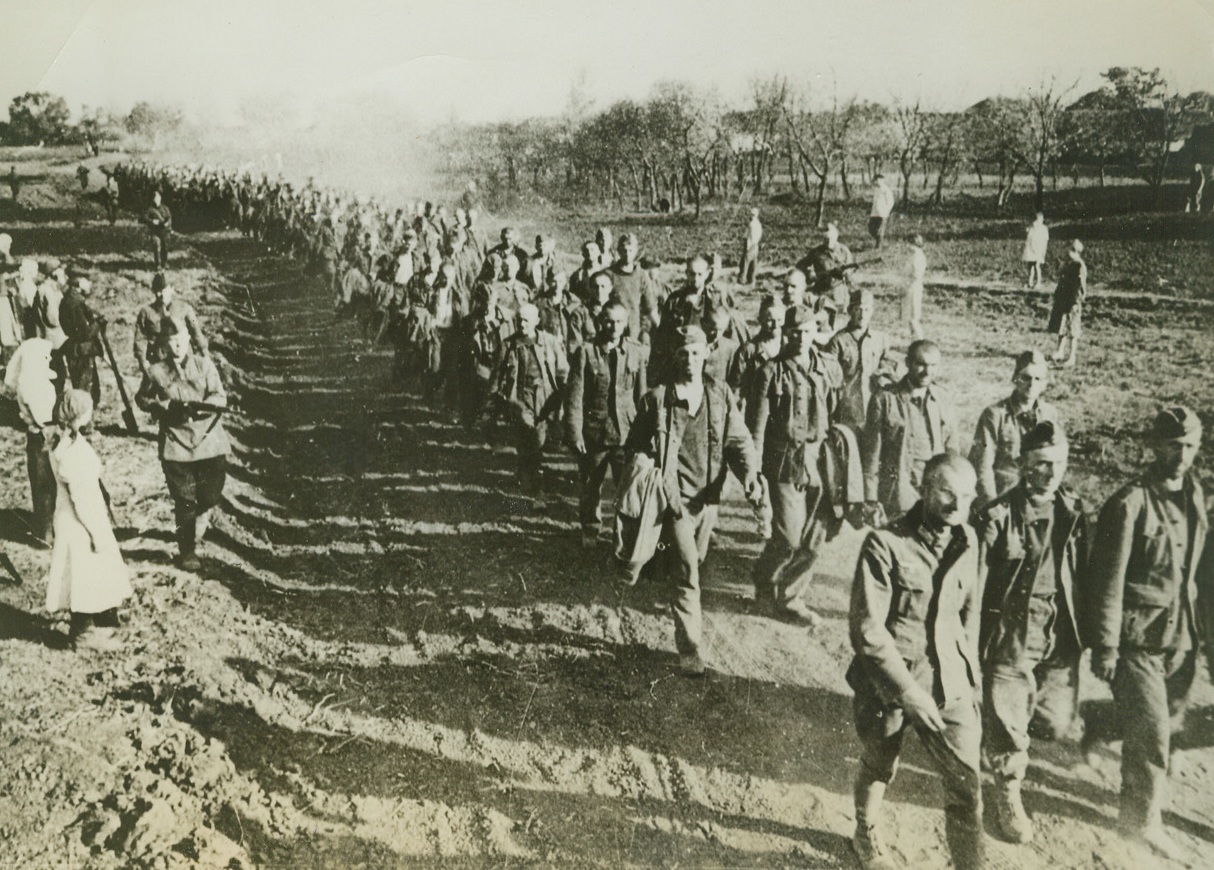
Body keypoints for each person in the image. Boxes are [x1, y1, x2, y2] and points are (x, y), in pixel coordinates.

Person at [1082, 407, 1209, 860]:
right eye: (1173, 445)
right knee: (1153, 736)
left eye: (1190, 446)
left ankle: (1099, 722)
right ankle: (1140, 824)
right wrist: (1105, 646)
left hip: (1181, 637)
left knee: (1165, 718)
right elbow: (1107, 580)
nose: (1182, 455)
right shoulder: (1128, 503)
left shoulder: (1196, 494)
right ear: (1153, 446)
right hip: (1136, 637)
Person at [847, 453, 983, 870]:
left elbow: (969, 615)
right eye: (946, 492)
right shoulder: (885, 543)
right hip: (890, 683)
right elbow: (867, 630)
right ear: (924, 489)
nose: (957, 504)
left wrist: (971, 678)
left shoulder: (968, 540)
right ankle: (865, 831)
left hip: (949, 681)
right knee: (879, 761)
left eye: (967, 496)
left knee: (966, 781)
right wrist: (906, 692)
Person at [621, 325, 762, 676]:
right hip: (675, 500)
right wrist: (646, 467)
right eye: (683, 353)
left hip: (708, 499)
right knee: (688, 572)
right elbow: (634, 446)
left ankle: (667, 577)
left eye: (696, 353)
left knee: (694, 560)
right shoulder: (658, 399)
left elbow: (738, 441)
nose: (690, 360)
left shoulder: (719, 394)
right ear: (674, 356)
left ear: (707, 353)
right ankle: (690, 649)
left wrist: (749, 475)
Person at [973, 421, 1088, 844]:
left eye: (1058, 463)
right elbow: (973, 583)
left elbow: (1087, 572)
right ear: (1023, 464)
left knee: (1053, 724)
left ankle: (997, 729)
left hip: (1058, 629)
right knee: (1009, 715)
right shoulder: (997, 515)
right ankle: (1007, 789)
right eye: (1040, 463)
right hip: (1012, 629)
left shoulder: (1075, 511)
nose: (1050, 472)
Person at [749, 307, 843, 625]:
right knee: (789, 538)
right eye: (795, 332)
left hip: (818, 461)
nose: (801, 338)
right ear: (785, 333)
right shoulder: (770, 372)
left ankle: (791, 597)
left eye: (807, 331)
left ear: (815, 332)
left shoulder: (826, 367)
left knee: (815, 539)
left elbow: (837, 412)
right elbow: (756, 428)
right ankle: (765, 580)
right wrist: (755, 474)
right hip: (783, 462)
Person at [135, 319, 231, 571]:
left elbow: (220, 395)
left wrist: (201, 406)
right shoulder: (156, 372)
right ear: (165, 344)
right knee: (185, 501)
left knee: (210, 494)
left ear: (189, 339)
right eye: (172, 342)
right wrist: (164, 406)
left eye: (181, 340)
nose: (177, 346)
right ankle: (187, 551)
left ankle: (200, 514)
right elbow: (142, 399)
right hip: (176, 442)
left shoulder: (204, 365)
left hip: (208, 439)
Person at [44, 389, 131, 652]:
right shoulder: (72, 453)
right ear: (80, 415)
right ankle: (83, 634)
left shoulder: (64, 441)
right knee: (83, 576)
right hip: (80, 523)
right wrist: (96, 532)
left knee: (92, 573)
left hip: (72, 519)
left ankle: (98, 624)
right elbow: (81, 499)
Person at [565, 300, 648, 548]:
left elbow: (641, 397)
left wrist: (644, 433)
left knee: (628, 487)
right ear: (601, 321)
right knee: (591, 484)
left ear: (626, 322)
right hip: (595, 432)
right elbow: (575, 396)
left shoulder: (636, 351)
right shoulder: (586, 351)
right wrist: (575, 432)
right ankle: (590, 528)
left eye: (619, 321)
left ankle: (623, 534)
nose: (614, 327)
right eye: (609, 321)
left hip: (626, 433)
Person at [863, 340, 959, 525]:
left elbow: (952, 450)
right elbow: (871, 456)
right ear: (907, 363)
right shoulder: (885, 400)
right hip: (898, 496)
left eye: (933, 365)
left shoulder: (944, 399)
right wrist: (871, 500)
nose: (927, 371)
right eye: (921, 364)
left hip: (934, 496)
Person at [488, 302, 568, 497]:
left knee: (537, 439)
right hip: (520, 399)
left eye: (526, 320)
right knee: (529, 436)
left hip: (544, 398)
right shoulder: (508, 345)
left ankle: (527, 474)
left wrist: (562, 393)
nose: (522, 324)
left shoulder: (549, 342)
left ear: (536, 321)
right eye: (519, 320)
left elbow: (563, 370)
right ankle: (533, 485)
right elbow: (497, 375)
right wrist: (494, 400)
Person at [969, 351, 1062, 510]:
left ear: (1045, 383)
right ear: (1015, 378)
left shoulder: (1049, 414)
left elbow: (1055, 462)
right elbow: (982, 467)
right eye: (1026, 377)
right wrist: (992, 507)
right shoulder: (995, 415)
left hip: (1035, 501)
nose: (1031, 384)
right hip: (1002, 501)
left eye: (1038, 379)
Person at [6, 338, 58, 547]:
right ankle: (46, 533)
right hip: (43, 437)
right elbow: (42, 416)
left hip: (35, 435)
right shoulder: (36, 386)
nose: (49, 359)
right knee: (46, 485)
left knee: (40, 484)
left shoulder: (28, 380)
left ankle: (44, 529)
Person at [826, 290, 893, 436]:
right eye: (858, 310)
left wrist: (883, 374)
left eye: (867, 310)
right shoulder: (838, 341)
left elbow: (889, 370)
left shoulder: (881, 339)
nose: (862, 315)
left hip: (874, 406)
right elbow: (829, 378)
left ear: (872, 311)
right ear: (850, 311)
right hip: (846, 409)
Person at [133, 273, 208, 377]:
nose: (160, 294)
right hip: (158, 363)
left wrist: (204, 354)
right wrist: (143, 361)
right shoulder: (146, 312)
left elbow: (196, 333)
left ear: (172, 289)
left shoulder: (185, 308)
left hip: (182, 362)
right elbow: (140, 340)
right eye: (157, 290)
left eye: (164, 290)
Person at [57, 266, 105, 409]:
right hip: (81, 352)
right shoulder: (75, 304)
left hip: (78, 350)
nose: (90, 283)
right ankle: (85, 419)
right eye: (86, 280)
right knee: (85, 390)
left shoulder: (71, 300)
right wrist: (98, 324)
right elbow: (84, 333)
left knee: (85, 387)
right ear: (78, 282)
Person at [797, 223, 855, 328]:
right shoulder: (816, 252)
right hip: (822, 291)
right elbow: (801, 265)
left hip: (839, 292)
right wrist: (810, 273)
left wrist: (844, 273)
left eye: (830, 239)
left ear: (836, 238)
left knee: (838, 320)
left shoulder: (844, 251)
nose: (828, 242)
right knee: (821, 320)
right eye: (825, 239)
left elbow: (850, 269)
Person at [609, 233, 660, 343]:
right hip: (612, 330)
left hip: (634, 332)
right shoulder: (609, 274)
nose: (627, 254)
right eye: (624, 250)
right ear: (618, 251)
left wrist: (660, 330)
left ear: (636, 251)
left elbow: (650, 308)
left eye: (630, 250)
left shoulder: (642, 275)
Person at [1048, 240, 1086, 367]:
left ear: (1074, 251)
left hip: (1072, 302)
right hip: (1064, 300)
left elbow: (1079, 286)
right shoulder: (1069, 264)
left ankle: (1072, 356)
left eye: (1068, 250)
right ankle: (1060, 351)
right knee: (1062, 327)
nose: (1066, 253)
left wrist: (1075, 301)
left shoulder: (1078, 266)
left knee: (1072, 330)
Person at [904, 234, 927, 340]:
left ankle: (920, 339)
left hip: (914, 287)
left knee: (913, 317)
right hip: (911, 287)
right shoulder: (913, 255)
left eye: (909, 243)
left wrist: (907, 281)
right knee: (909, 316)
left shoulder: (917, 256)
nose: (907, 246)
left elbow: (916, 274)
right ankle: (914, 339)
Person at [144, 190, 173, 269]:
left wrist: (167, 223)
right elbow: (144, 218)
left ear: (160, 198)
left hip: (164, 231)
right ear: (153, 199)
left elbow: (169, 217)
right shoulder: (151, 209)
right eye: (155, 198)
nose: (157, 199)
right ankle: (157, 264)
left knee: (165, 247)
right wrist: (152, 221)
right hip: (155, 232)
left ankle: (164, 262)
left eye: (158, 198)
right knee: (157, 246)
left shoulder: (165, 208)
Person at [1022, 214, 1049, 290]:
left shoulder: (1043, 229)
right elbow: (1029, 238)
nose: (1038, 221)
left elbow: (1045, 240)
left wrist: (1042, 250)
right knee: (1031, 266)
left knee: (1037, 266)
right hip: (1031, 249)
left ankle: (1038, 282)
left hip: (1038, 249)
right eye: (1037, 219)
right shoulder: (1032, 228)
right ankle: (1030, 282)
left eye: (1040, 219)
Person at [868, 175, 895, 250]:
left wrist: (886, 211)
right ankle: (879, 241)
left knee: (880, 230)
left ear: (882, 180)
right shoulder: (876, 189)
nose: (876, 182)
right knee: (871, 229)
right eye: (876, 180)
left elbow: (891, 202)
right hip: (874, 212)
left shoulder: (886, 190)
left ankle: (879, 246)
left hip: (882, 213)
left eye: (878, 180)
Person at [738, 208, 763, 285]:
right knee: (753, 265)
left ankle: (742, 281)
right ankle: (751, 280)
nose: (751, 216)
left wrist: (747, 247)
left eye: (752, 215)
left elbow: (748, 237)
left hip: (750, 245)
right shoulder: (758, 224)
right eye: (751, 214)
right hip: (755, 246)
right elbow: (759, 235)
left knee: (744, 264)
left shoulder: (751, 224)